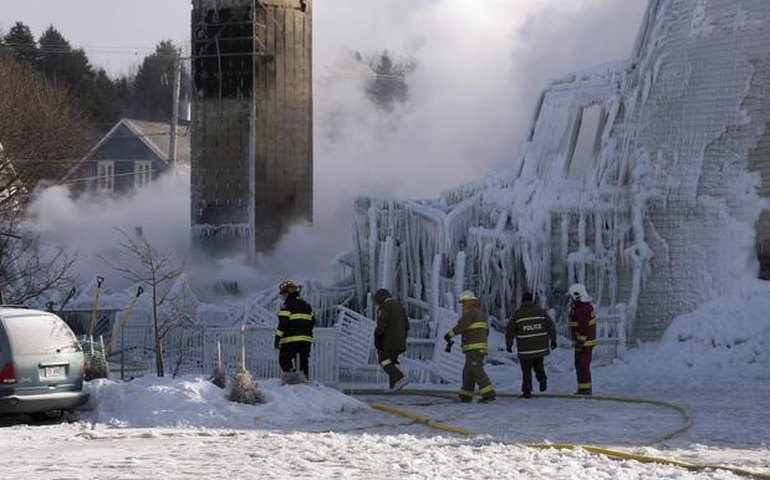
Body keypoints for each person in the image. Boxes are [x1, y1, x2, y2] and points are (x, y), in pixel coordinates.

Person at [444, 290, 496, 403]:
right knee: (468, 371)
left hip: (474, 348)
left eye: (464, 302)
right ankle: (466, 395)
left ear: (469, 301)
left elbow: (462, 326)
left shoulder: (470, 312)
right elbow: (486, 331)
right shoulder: (480, 312)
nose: (463, 305)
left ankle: (488, 394)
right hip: (476, 348)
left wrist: (449, 334)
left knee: (477, 370)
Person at [505, 291, 557, 398]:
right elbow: (550, 326)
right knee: (539, 365)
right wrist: (553, 340)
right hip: (540, 347)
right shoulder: (541, 312)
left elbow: (510, 330)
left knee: (526, 370)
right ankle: (542, 379)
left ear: (523, 301)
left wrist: (509, 344)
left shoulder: (518, 314)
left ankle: (527, 391)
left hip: (525, 349)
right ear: (532, 300)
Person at [274, 280, 315, 382]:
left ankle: (291, 381)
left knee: (284, 360)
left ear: (288, 292)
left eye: (283, 293)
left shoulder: (287, 305)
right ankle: (304, 382)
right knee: (303, 362)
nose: (283, 296)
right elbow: (313, 321)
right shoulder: (306, 305)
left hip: (290, 341)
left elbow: (282, 324)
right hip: (306, 341)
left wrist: (277, 340)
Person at [373, 288, 410, 391]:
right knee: (391, 362)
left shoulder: (384, 307)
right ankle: (394, 386)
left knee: (383, 361)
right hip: (400, 341)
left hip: (388, 342)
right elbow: (407, 325)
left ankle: (400, 377)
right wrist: (402, 337)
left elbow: (382, 325)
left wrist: (377, 336)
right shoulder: (399, 306)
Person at [568, 283, 596, 395]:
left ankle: (585, 389)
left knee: (582, 365)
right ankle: (583, 387)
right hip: (585, 341)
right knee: (581, 365)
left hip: (584, 342)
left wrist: (580, 341)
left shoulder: (582, 309)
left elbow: (583, 328)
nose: (571, 299)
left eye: (572, 297)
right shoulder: (583, 307)